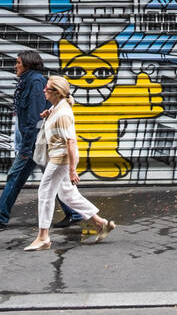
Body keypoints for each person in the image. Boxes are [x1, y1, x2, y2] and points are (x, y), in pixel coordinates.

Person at [0, 50, 82, 229]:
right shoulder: (27, 81)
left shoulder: (34, 82)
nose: (15, 65)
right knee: (45, 178)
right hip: (34, 141)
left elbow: (34, 118)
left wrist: (26, 148)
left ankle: (1, 215)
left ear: (27, 63)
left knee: (16, 176)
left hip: (35, 142)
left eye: (18, 62)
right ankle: (73, 213)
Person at [24, 74, 115, 251]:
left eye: (48, 88)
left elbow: (71, 142)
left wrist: (73, 170)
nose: (44, 90)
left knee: (45, 192)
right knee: (67, 194)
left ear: (57, 92)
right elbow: (61, 110)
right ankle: (101, 223)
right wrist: (48, 114)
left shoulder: (63, 113)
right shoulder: (58, 106)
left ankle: (43, 237)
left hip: (61, 159)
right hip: (59, 157)